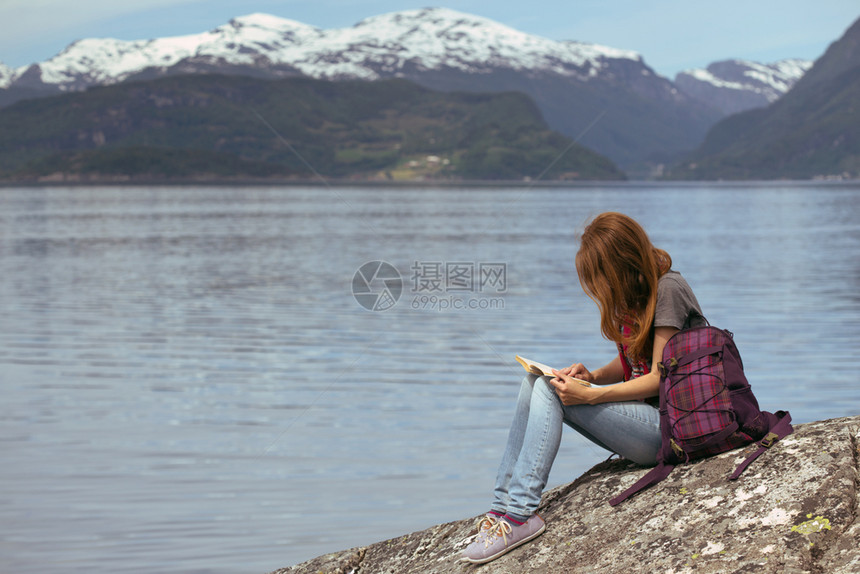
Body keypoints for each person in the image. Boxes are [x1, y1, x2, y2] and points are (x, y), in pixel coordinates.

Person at [462, 212, 707, 564]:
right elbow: (631, 366)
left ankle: (519, 517)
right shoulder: (637, 292)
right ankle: (501, 510)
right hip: (648, 422)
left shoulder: (668, 289)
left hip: (672, 429)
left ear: (622, 263)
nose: (600, 288)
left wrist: (593, 395)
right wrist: (592, 377)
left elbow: (657, 377)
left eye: (601, 277)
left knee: (550, 391)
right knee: (536, 379)